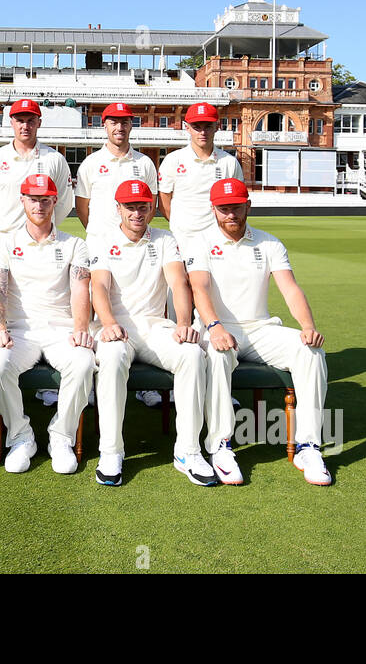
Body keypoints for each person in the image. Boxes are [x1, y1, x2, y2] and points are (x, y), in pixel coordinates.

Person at [186, 177, 333, 486]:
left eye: (237, 208)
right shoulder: (198, 242)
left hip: (260, 328)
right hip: (219, 328)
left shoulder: (268, 242)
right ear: (213, 210)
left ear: (247, 206)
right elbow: (199, 289)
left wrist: (308, 327)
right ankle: (221, 446)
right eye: (224, 209)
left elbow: (290, 289)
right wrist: (214, 327)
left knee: (311, 351)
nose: (231, 215)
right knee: (218, 353)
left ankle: (308, 446)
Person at [89, 180, 218, 487]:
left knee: (190, 353)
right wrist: (108, 322)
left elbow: (177, 283)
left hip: (153, 325)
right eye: (130, 206)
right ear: (118, 208)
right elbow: (99, 286)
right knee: (112, 355)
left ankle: (188, 450)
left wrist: (184, 322)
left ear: (152, 208)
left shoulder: (164, 239)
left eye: (143, 206)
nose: (137, 212)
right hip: (114, 324)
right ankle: (111, 451)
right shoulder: (101, 239)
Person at [0, 173, 96, 475]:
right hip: (20, 331)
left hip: (61, 329)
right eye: (33, 199)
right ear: (22, 200)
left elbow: (79, 289)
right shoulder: (5, 241)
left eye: (45, 199)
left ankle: (61, 435)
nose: (39, 205)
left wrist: (81, 329)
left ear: (55, 201)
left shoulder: (74, 243)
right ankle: (21, 436)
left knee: (84, 361)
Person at [0, 99, 73, 235]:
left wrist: (42, 226)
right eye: (20, 121)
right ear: (12, 123)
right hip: (6, 238)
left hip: (43, 240)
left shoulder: (55, 159)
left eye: (31, 121)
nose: (25, 126)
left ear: (39, 123)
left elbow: (64, 203)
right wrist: (5, 225)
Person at [158, 103, 243, 252]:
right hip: (182, 238)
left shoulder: (229, 162)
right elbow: (164, 202)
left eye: (208, 126)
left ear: (217, 126)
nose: (202, 132)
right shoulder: (173, 160)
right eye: (197, 126)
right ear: (187, 127)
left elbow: (238, 202)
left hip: (219, 240)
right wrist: (181, 224)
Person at [75, 102, 158, 240]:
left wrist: (133, 232)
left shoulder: (145, 163)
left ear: (131, 125)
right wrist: (98, 232)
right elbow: (82, 207)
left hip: (134, 242)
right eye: (113, 122)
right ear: (104, 126)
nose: (119, 128)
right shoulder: (90, 163)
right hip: (100, 241)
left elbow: (151, 206)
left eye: (124, 122)